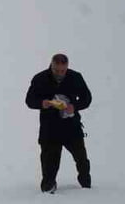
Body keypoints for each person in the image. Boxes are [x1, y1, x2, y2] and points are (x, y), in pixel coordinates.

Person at [25, 53, 93, 192]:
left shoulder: (75, 77)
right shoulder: (40, 79)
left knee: (81, 158)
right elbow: (29, 100)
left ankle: (86, 186)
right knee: (49, 161)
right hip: (50, 128)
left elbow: (87, 98)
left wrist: (74, 106)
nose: (60, 73)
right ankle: (48, 187)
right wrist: (42, 103)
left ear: (67, 67)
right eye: (56, 70)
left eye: (63, 70)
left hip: (71, 126)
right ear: (51, 65)